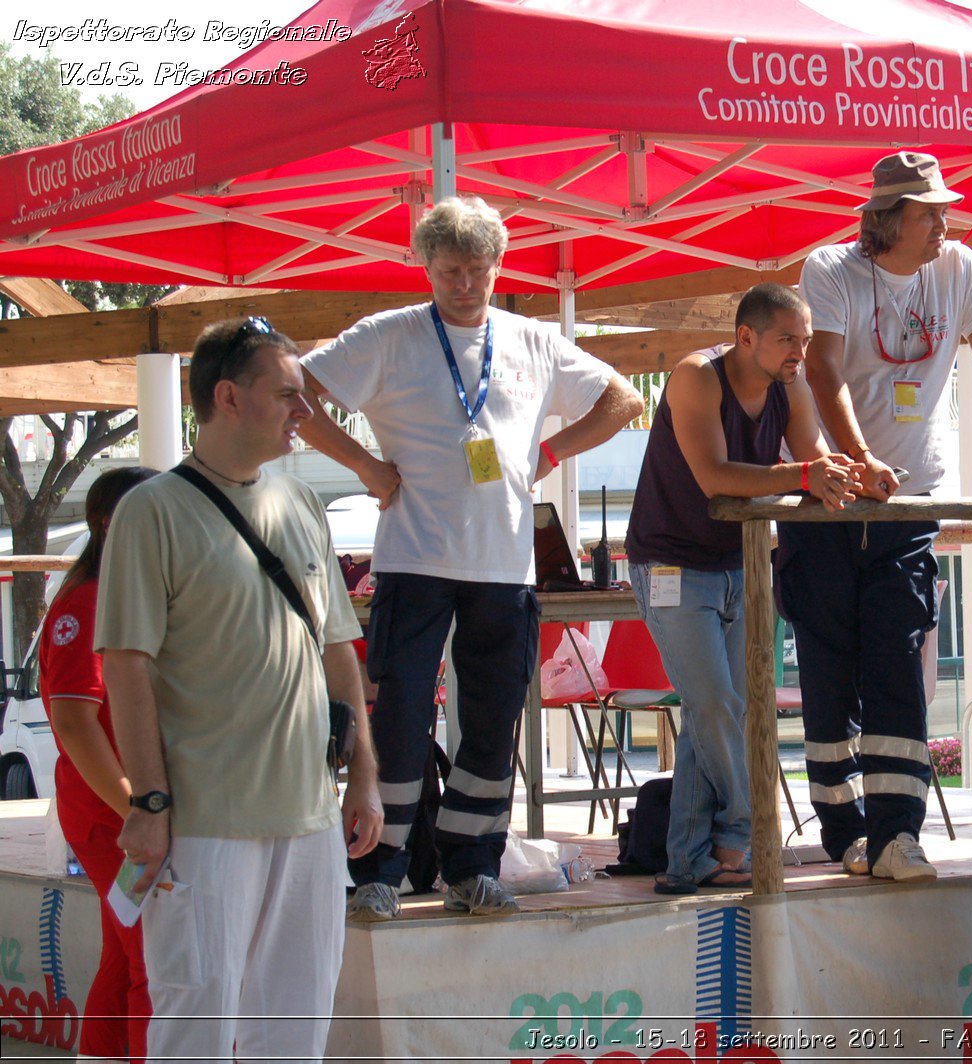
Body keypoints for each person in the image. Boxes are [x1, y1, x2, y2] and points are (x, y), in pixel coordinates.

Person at [298, 195, 644, 920]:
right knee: (398, 717)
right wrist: (365, 465)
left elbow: (621, 399)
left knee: (491, 720)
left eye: (477, 271)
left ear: (498, 266)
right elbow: (296, 393)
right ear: (425, 266)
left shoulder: (532, 339)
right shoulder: (387, 335)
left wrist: (550, 452)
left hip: (504, 567)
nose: (463, 285)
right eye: (450, 270)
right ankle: (377, 872)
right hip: (414, 560)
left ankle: (472, 866)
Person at [99, 316, 382, 1061]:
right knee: (197, 1017)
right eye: (288, 393)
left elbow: (338, 649)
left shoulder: (301, 506)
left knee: (295, 1025)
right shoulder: (150, 511)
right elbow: (124, 665)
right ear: (227, 397)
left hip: (310, 817)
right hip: (203, 821)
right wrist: (150, 803)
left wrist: (365, 779)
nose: (306, 412)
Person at [781, 151, 972, 881]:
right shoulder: (830, 269)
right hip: (830, 509)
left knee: (899, 668)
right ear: (885, 218)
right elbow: (824, 371)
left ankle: (899, 835)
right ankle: (845, 833)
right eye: (929, 210)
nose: (944, 221)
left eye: (944, 208)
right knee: (829, 676)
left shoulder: (962, 268)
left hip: (910, 507)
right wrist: (861, 459)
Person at [626, 283, 861, 895]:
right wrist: (809, 473)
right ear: (745, 336)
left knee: (722, 713)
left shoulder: (792, 383)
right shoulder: (695, 375)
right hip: (672, 565)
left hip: (744, 563)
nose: (799, 353)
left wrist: (856, 471)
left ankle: (685, 862)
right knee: (717, 708)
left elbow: (812, 455)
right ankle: (749, 832)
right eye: (787, 339)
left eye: (805, 341)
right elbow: (716, 480)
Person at [39, 465, 157, 1062]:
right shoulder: (86, 601)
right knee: (152, 962)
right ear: (113, 523)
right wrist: (140, 810)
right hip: (115, 821)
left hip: (125, 817)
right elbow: (74, 723)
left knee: (126, 956)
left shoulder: (119, 593)